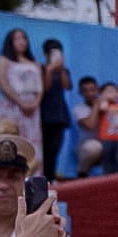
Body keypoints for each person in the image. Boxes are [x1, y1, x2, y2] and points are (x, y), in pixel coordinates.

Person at [0, 27, 43, 152]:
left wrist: (36, 103)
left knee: (31, 140)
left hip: (32, 107)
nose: (21, 41)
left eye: (24, 38)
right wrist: (21, 103)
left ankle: (32, 170)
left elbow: (40, 86)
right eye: (17, 39)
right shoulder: (3, 60)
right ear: (10, 42)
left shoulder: (34, 62)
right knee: (10, 138)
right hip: (12, 104)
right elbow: (3, 85)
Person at [37, 39, 72, 178]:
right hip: (44, 114)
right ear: (46, 54)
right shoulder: (41, 68)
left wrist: (61, 68)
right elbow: (45, 88)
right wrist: (50, 69)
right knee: (45, 149)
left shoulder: (64, 71)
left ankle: (51, 176)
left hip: (59, 114)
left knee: (55, 148)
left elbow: (67, 86)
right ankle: (44, 177)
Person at [71, 75, 105, 176]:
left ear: (98, 90)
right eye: (86, 91)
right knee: (94, 147)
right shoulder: (78, 109)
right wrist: (96, 105)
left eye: (93, 90)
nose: (90, 93)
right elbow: (90, 125)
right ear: (80, 93)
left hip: (107, 144)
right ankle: (82, 173)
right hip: (87, 146)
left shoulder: (107, 105)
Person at [96, 82, 118, 174]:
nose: (112, 93)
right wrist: (104, 98)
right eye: (109, 91)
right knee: (107, 160)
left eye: (115, 91)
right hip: (107, 139)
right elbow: (103, 107)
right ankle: (107, 180)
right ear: (102, 94)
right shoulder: (103, 104)